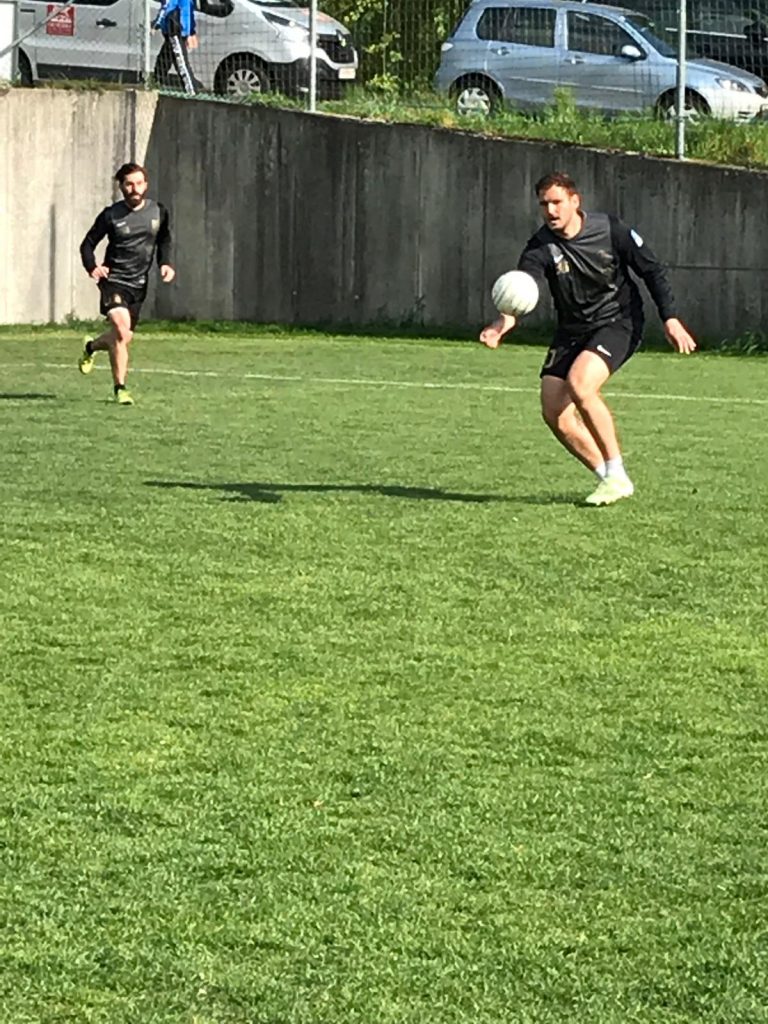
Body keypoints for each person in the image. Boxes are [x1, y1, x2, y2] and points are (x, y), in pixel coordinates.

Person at [479, 171, 696, 506]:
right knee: (554, 411)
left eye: (557, 202)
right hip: (572, 330)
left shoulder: (610, 230)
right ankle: (610, 478)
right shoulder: (539, 248)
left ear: (575, 201)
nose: (550, 211)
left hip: (618, 322)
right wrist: (503, 322)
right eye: (543, 204)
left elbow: (652, 270)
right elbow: (523, 292)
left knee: (580, 384)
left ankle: (616, 471)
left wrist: (670, 318)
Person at [78, 163, 175, 406]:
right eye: (129, 184)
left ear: (146, 185)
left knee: (122, 337)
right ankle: (120, 389)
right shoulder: (111, 215)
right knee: (121, 330)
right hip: (113, 281)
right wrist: (93, 267)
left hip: (138, 285)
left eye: (139, 183)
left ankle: (90, 346)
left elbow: (164, 239)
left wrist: (165, 263)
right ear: (121, 187)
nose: (135, 189)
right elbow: (87, 244)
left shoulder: (158, 211)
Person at [154, 0, 199, 96]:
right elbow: (189, 10)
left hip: (175, 29)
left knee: (181, 64)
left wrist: (156, 24)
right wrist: (190, 31)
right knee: (163, 62)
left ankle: (192, 93)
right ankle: (154, 86)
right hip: (177, 29)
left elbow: (167, 6)